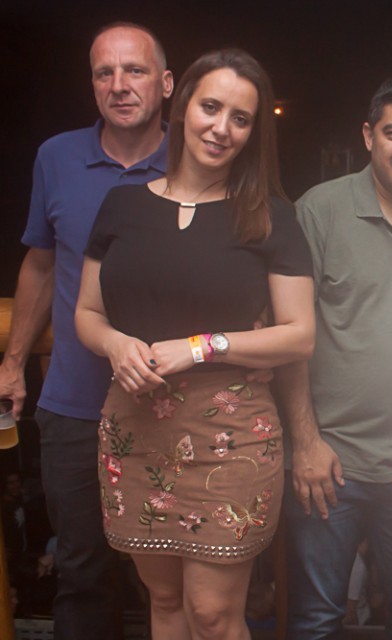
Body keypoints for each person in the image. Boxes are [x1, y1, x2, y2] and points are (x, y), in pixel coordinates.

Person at [74, 49, 315, 639]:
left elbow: (300, 334)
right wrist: (115, 345)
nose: (222, 128)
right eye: (211, 107)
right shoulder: (122, 204)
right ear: (182, 106)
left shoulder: (270, 216)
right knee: (163, 599)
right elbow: (87, 313)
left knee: (212, 613)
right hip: (134, 430)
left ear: (253, 133)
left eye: (241, 118)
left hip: (229, 438)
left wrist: (202, 346)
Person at [0, 22, 172, 639]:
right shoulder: (57, 156)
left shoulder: (198, 156)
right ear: (93, 85)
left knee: (173, 582)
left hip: (171, 405)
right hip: (75, 406)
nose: (119, 85)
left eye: (135, 70)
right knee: (81, 572)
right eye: (105, 73)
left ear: (166, 83)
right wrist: (13, 362)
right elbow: (43, 264)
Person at [279, 73, 392, 638]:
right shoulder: (321, 210)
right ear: (368, 136)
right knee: (316, 620)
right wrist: (305, 442)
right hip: (331, 463)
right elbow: (289, 338)